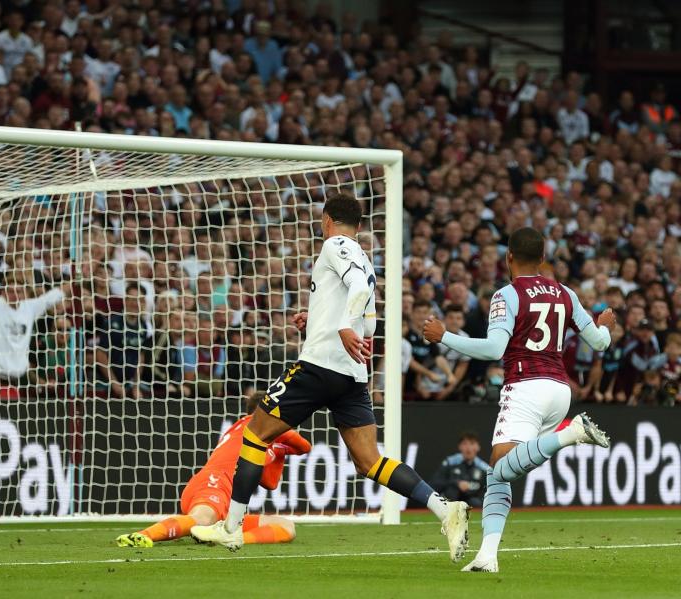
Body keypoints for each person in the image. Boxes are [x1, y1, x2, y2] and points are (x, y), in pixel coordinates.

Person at [191, 193, 470, 560]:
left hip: (319, 366)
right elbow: (366, 317)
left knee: (255, 435)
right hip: (351, 375)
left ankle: (231, 529)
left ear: (327, 219)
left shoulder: (336, 244)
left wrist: (338, 327)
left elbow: (357, 289)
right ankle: (443, 507)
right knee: (369, 461)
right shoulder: (364, 256)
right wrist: (321, 322)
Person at [422, 227, 615, 573]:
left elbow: (495, 349)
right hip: (560, 390)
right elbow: (599, 343)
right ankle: (487, 556)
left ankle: (570, 435)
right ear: (542, 258)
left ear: (508, 256)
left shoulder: (507, 295)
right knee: (500, 475)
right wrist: (605, 326)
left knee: (498, 468)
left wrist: (445, 336)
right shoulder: (566, 293)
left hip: (526, 386)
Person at [116, 392, 308, 548]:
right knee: (202, 519)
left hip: (227, 504)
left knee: (286, 527)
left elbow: (270, 482)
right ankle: (142, 536)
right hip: (214, 483)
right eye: (274, 413)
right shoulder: (248, 424)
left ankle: (234, 538)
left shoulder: (261, 441)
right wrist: (283, 441)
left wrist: (278, 449)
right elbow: (305, 446)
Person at [431, 432, 489, 508]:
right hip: (451, 499)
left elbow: (488, 490)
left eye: (472, 443)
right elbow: (435, 484)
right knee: (452, 492)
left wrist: (470, 488)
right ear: (460, 446)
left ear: (478, 447)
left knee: (476, 503)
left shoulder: (484, 468)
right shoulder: (449, 462)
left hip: (471, 499)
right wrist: (456, 483)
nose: (468, 448)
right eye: (465, 444)